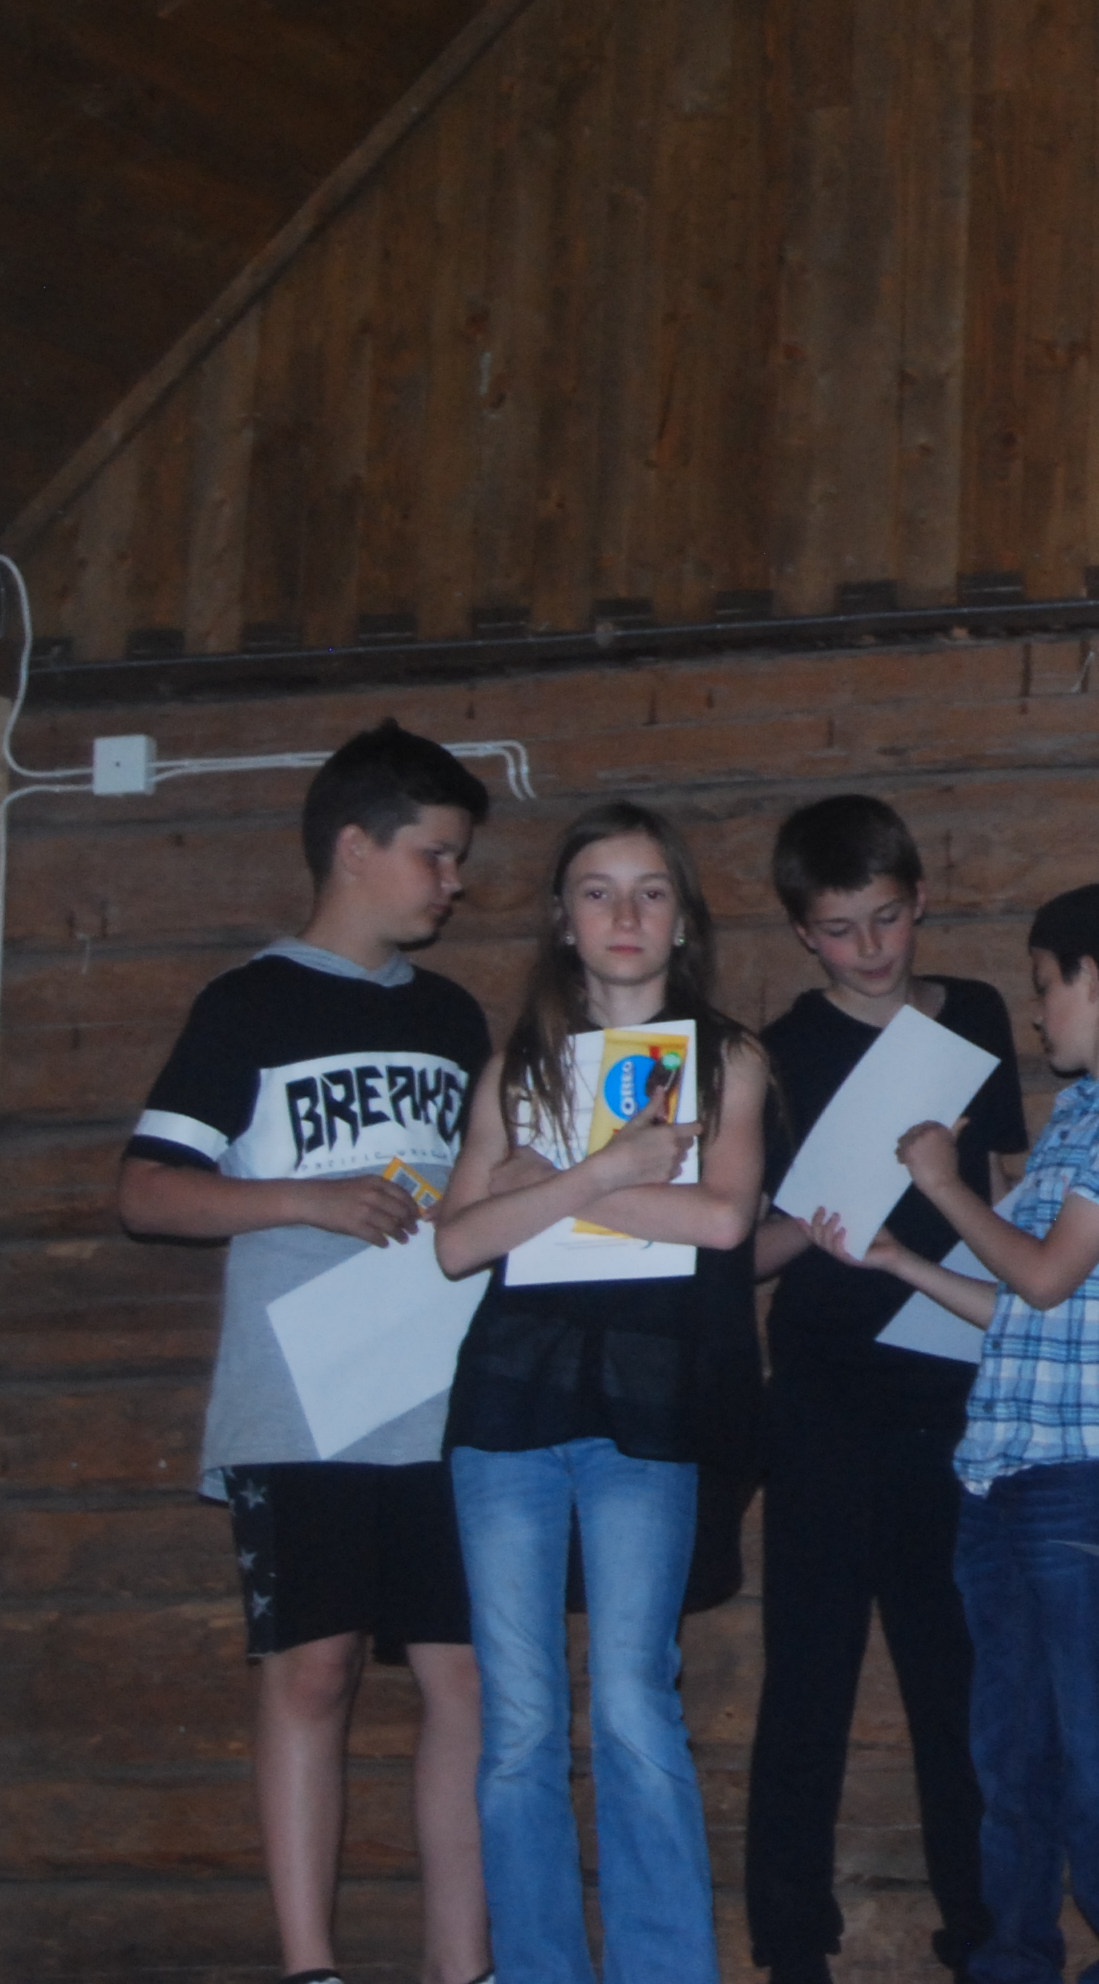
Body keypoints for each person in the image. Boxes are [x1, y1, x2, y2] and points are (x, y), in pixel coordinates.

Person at [111, 722, 496, 1984]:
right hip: (301, 1397)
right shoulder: (249, 1004)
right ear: (353, 846)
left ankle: (462, 1965)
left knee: (464, 1676)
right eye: (435, 855)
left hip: (442, 1394)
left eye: (458, 859)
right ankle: (311, 1966)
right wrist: (305, 1199)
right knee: (313, 1669)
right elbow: (146, 1192)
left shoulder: (453, 1017)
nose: (452, 883)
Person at [824, 882, 1099, 1984]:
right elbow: (1018, 1305)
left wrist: (944, 1187)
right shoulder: (1080, 1117)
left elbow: (1043, 1276)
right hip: (1005, 1470)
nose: (1037, 1012)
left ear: (1092, 977)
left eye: (1045, 984)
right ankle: (1015, 1960)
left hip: (1089, 1472)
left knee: (1093, 1740)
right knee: (1010, 1749)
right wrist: (901, 1261)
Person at [434, 802, 769, 1984]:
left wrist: (551, 1189)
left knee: (632, 1701)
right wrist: (608, 1173)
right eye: (597, 890)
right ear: (561, 920)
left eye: (649, 891)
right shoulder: (515, 1065)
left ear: (683, 921)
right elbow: (456, 1244)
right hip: (506, 1408)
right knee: (518, 1722)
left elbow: (720, 1219)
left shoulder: (726, 1058)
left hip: (647, 1408)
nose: (624, 914)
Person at [745, 795, 1028, 1984]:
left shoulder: (976, 1016)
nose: (869, 949)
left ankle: (983, 1938)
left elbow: (1007, 1192)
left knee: (955, 1680)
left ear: (920, 901)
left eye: (887, 919)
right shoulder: (773, 1052)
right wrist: (822, 1220)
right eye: (840, 929)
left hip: (951, 1386)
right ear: (801, 933)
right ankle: (789, 1946)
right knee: (807, 1678)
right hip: (820, 1393)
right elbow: (741, 1255)